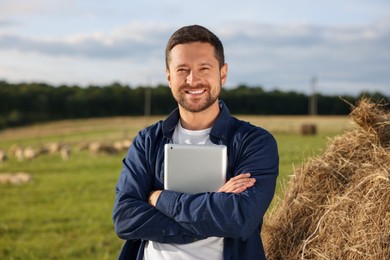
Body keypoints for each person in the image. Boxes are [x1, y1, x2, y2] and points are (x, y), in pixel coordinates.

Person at [112, 24, 279, 260]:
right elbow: (125, 218)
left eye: (204, 68)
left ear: (223, 73)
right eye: (182, 70)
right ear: (169, 77)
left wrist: (158, 198)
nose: (193, 79)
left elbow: (240, 219)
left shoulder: (254, 142)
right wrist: (213, 211)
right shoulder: (147, 141)